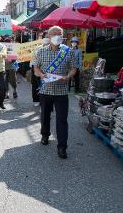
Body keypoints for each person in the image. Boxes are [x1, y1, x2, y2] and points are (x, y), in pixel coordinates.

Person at [33, 26, 77, 159]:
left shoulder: (68, 52)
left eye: (60, 34)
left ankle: (62, 147)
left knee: (62, 119)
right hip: (46, 90)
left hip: (62, 91)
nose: (58, 36)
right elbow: (36, 69)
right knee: (45, 115)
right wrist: (42, 75)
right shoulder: (40, 51)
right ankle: (45, 135)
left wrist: (68, 77)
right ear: (49, 36)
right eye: (55, 34)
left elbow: (73, 68)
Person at [31, 35, 50, 106]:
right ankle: (36, 100)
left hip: (47, 68)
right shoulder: (38, 48)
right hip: (36, 67)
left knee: (46, 84)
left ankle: (45, 100)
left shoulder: (54, 48)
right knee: (36, 84)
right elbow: (34, 59)